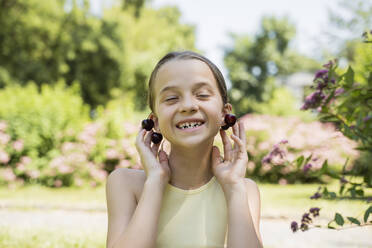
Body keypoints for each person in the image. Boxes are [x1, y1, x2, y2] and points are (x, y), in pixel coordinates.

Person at [105, 51, 263, 248]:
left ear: (225, 114)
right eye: (171, 98)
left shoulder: (244, 190)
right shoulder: (126, 184)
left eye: (202, 95)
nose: (188, 106)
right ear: (155, 121)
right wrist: (155, 182)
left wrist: (234, 188)